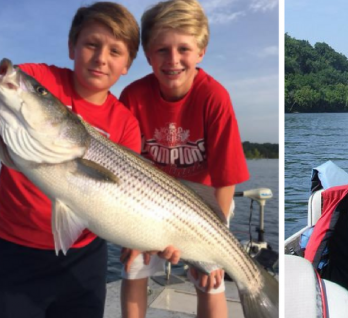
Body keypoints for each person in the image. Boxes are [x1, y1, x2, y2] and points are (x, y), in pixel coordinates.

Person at [0, 3, 141, 317]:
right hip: (13, 253)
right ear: (72, 47)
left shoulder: (126, 123)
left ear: (127, 64)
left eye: (115, 51)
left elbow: (130, 197)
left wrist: (144, 237)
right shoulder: (39, 79)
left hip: (85, 259)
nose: (101, 58)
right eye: (91, 44)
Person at [117, 1, 250, 318]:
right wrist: (131, 234)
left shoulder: (214, 97)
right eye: (162, 50)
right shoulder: (133, 97)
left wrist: (214, 244)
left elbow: (225, 179)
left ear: (201, 51)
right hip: (146, 201)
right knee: (134, 264)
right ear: (148, 55)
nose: (173, 59)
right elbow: (124, 171)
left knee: (210, 279)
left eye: (184, 49)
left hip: (203, 204)